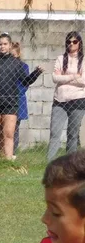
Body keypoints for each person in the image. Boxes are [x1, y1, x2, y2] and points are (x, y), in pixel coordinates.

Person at [0, 33, 38, 162]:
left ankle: (8, 162)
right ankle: (0, 160)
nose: (2, 46)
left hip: (11, 103)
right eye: (0, 44)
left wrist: (36, 73)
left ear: (10, 46)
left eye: (5, 44)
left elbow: (25, 81)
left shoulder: (16, 63)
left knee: (9, 134)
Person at [47, 31, 85, 161]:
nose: (71, 44)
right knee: (54, 133)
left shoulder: (83, 60)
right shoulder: (60, 58)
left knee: (72, 134)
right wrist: (74, 76)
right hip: (60, 100)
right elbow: (54, 78)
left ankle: (70, 162)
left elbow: (84, 80)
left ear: (79, 43)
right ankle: (50, 161)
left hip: (78, 100)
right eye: (69, 41)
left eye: (74, 41)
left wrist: (64, 77)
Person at [11, 42, 43, 154]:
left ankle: (12, 153)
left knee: (14, 129)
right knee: (1, 129)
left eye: (14, 56)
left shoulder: (23, 67)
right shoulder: (3, 65)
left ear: (18, 54)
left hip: (18, 100)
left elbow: (25, 83)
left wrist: (36, 73)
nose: (12, 60)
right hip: (5, 99)